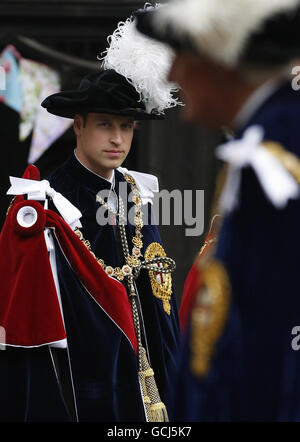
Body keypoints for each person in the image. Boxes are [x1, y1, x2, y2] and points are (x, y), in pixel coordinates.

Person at [0, 10, 181, 422]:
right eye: (105, 124)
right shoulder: (47, 204)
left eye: (126, 126)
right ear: (78, 125)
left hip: (152, 379)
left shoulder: (136, 191)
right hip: (84, 384)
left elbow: (158, 297)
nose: (118, 139)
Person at [135, 0, 300, 421]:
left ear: (224, 61)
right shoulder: (263, 142)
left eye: (184, 56)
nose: (172, 74)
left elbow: (270, 339)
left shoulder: (275, 161)